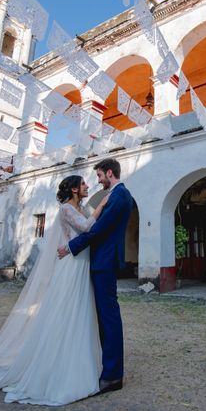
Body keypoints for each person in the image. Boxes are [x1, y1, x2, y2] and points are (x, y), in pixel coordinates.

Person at [0, 175, 109, 406]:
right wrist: (102, 205)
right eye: (83, 185)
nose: (87, 186)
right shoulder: (66, 209)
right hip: (72, 264)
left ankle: (81, 361)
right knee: (66, 309)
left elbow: (92, 225)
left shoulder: (81, 206)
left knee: (81, 310)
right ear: (73, 189)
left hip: (82, 263)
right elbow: (87, 227)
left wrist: (97, 209)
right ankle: (56, 364)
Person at [58, 158, 133, 395]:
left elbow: (98, 230)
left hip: (104, 262)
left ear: (109, 173)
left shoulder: (119, 195)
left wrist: (71, 247)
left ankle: (112, 376)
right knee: (102, 317)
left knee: (108, 317)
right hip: (100, 261)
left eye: (99, 175)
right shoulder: (114, 195)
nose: (97, 180)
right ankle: (104, 367)